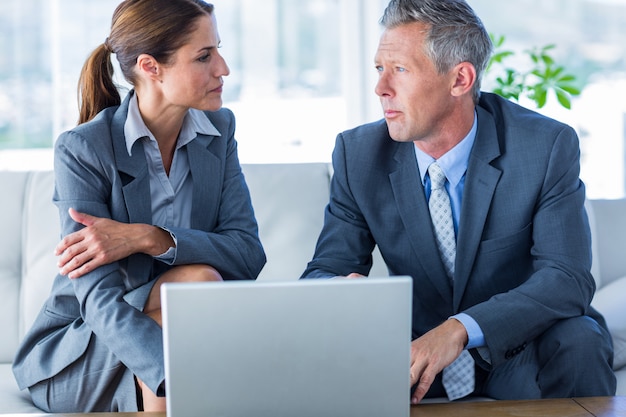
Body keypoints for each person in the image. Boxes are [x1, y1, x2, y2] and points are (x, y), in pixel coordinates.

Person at [302, 0, 616, 405]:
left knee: (580, 338)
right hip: (411, 360)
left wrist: (459, 329)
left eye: (400, 70)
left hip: (515, 351)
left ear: (460, 79)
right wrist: (338, 290)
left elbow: (567, 279)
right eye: (380, 69)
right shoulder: (358, 154)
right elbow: (323, 272)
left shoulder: (544, 146)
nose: (380, 88)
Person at [12, 0, 265, 412]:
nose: (223, 68)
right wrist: (170, 371)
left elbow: (248, 255)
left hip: (188, 326)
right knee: (195, 286)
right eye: (204, 55)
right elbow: (97, 300)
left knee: (195, 288)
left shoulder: (219, 132)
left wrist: (150, 238)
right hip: (84, 352)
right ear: (151, 67)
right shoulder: (84, 149)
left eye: (218, 49)